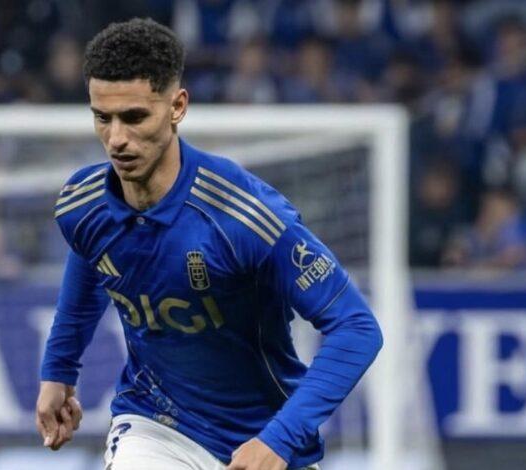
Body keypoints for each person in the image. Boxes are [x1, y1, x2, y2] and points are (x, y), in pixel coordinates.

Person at [36, 18, 382, 470]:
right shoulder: (82, 204)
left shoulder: (244, 216)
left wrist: (279, 440)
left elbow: (356, 327)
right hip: (155, 425)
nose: (117, 139)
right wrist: (58, 369)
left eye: (135, 117)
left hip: (262, 437)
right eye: (104, 118)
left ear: (177, 106)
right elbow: (90, 261)